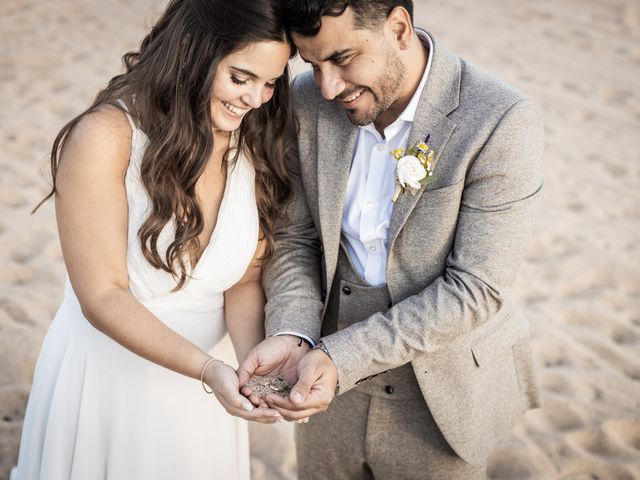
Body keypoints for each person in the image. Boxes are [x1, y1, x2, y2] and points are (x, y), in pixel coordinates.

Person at [239, 0, 545, 478]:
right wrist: (294, 332)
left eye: (342, 58)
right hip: (320, 386)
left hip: (441, 397)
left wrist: (343, 356)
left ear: (399, 27)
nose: (328, 86)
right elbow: (296, 237)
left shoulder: (501, 121)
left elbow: (476, 289)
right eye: (312, 63)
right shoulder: (305, 100)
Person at [11, 0, 295, 478]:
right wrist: (207, 371)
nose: (255, 98)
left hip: (212, 391)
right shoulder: (106, 136)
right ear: (191, 51)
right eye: (240, 77)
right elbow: (101, 294)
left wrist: (254, 374)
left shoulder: (253, 141)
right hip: (109, 380)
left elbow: (244, 280)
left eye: (269, 83)